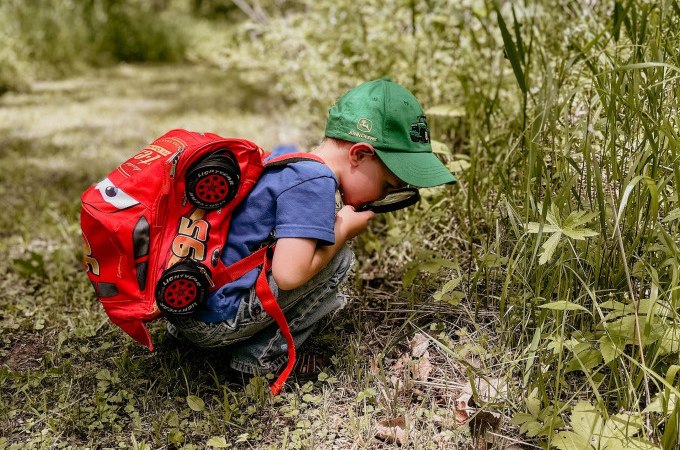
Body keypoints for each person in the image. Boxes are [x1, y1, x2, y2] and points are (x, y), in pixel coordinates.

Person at [166, 78, 456, 378]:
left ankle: (184, 342)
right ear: (359, 155)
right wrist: (342, 230)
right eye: (386, 185)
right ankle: (260, 362)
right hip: (216, 324)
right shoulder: (315, 183)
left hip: (188, 309)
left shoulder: (289, 161)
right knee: (338, 257)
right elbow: (289, 275)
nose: (382, 197)